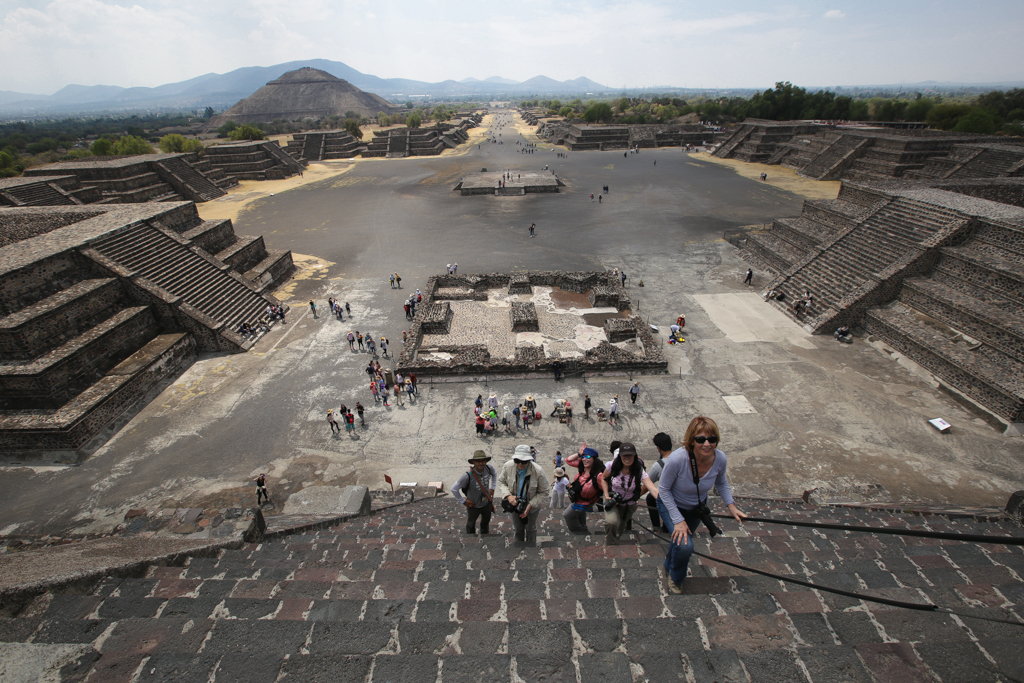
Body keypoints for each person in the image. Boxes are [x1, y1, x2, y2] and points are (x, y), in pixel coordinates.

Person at [657, 416, 747, 594]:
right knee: (685, 546)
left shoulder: (720, 458)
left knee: (680, 541)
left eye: (712, 439)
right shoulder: (677, 460)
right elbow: (664, 490)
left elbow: (721, 483)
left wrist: (732, 506)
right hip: (671, 505)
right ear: (692, 440)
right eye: (701, 439)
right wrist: (677, 520)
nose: (707, 444)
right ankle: (676, 577)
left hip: (696, 509)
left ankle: (668, 564)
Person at [497, 445, 549, 543]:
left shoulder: (538, 471)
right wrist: (508, 496)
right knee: (517, 529)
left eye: (524, 461)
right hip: (515, 505)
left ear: (529, 460)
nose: (520, 463)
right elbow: (501, 482)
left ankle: (531, 548)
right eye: (517, 460)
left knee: (531, 529)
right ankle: (519, 548)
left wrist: (530, 505)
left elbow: (544, 491)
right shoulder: (508, 466)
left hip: (532, 506)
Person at [452, 451, 497, 534]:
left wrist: (492, 488)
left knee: (486, 521)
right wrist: (464, 501)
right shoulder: (467, 476)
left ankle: (484, 535)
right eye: (478, 461)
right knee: (471, 523)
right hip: (473, 505)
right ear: (473, 462)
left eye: (483, 461)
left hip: (486, 502)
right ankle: (470, 538)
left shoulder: (488, 468)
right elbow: (454, 489)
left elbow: (494, 474)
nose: (481, 463)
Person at [563, 446, 604, 533]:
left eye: (588, 457)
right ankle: (583, 528)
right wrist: (579, 454)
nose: (585, 459)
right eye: (583, 456)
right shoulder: (583, 468)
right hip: (578, 499)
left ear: (594, 459)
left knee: (567, 515)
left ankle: (579, 531)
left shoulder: (598, 475)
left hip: (585, 502)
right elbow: (568, 460)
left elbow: (606, 488)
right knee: (580, 514)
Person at [646, 432, 673, 532]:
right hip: (684, 495)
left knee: (650, 497)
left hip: (669, 498)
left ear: (658, 448)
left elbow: (647, 484)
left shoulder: (659, 465)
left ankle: (657, 527)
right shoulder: (681, 458)